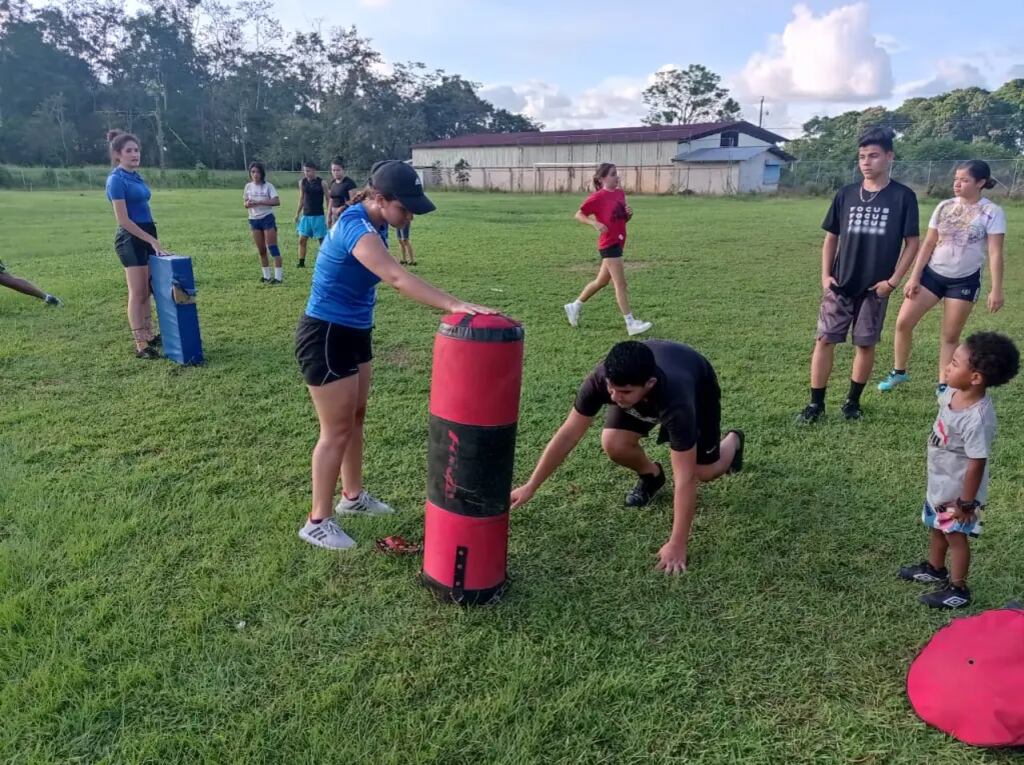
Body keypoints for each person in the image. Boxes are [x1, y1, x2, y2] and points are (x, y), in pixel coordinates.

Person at [295, 160, 498, 550]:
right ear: (379, 198)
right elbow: (396, 277)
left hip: (355, 329)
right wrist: (453, 304)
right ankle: (317, 521)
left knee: (356, 417)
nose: (409, 217)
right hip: (326, 334)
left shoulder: (378, 222)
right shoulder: (356, 226)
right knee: (335, 430)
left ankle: (352, 496)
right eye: (404, 208)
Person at [510, 340, 744, 574]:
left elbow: (685, 478)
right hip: (649, 382)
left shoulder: (677, 401)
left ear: (649, 384)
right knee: (614, 443)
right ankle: (652, 477)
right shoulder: (603, 380)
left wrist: (677, 543)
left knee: (703, 472)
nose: (614, 397)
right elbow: (568, 434)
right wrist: (531, 485)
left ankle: (733, 440)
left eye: (624, 392)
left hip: (696, 384)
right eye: (611, 388)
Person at [796, 127, 920, 423]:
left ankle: (852, 403)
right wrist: (825, 276)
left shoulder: (903, 196)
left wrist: (892, 282)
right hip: (840, 284)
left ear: (889, 157)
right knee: (824, 340)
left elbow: (912, 243)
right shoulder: (846, 194)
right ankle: (815, 404)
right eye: (862, 156)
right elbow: (831, 237)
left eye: (873, 156)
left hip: (875, 288)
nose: (866, 162)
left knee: (865, 344)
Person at [898, 332, 1019, 609]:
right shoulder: (953, 392)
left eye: (954, 363)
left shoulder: (978, 419)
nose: (947, 367)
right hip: (941, 481)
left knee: (955, 536)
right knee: (936, 527)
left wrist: (966, 502)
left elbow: (977, 462)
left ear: (975, 378)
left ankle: (958, 590)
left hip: (960, 492)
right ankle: (935, 568)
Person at [878, 161, 1006, 394]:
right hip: (932, 276)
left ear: (980, 182)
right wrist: (914, 277)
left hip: (964, 281)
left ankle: (944, 384)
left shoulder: (992, 212)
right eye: (956, 179)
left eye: (964, 180)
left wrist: (996, 289)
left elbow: (995, 252)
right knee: (903, 323)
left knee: (950, 336)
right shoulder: (944, 206)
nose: (957, 184)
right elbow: (928, 243)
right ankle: (899, 372)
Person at [563, 163, 652, 336]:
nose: (617, 177)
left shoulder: (620, 193)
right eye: (612, 174)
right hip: (609, 244)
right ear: (602, 178)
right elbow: (579, 214)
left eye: (616, 173)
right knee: (621, 284)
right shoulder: (597, 197)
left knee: (601, 282)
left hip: (619, 241)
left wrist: (628, 215)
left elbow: (620, 219)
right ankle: (630, 323)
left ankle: (574, 306)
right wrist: (594, 223)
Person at [104, 129, 165, 359]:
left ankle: (149, 334)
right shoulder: (116, 180)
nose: (135, 154)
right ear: (117, 154)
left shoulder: (135, 176)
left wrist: (151, 237)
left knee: (147, 290)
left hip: (147, 232)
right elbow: (123, 220)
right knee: (138, 292)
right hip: (131, 239)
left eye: (137, 150)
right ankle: (140, 344)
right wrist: (150, 240)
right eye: (129, 151)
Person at [243, 161, 283, 284]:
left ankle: (278, 278)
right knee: (261, 250)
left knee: (272, 247)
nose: (255, 174)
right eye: (253, 172)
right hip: (254, 220)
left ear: (262, 173)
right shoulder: (248, 187)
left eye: (258, 172)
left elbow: (276, 201)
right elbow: (245, 203)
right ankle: (266, 276)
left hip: (267, 218)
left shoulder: (268, 186)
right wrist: (248, 204)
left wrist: (259, 202)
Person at [294, 161, 330, 268]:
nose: (306, 173)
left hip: (319, 216)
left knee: (322, 240)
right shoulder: (302, 182)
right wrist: (297, 213)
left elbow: (328, 199)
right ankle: (301, 262)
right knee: (302, 240)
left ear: (314, 170)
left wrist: (328, 214)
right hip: (306, 216)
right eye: (305, 171)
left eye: (308, 171)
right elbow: (301, 198)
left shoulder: (322, 183)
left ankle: (325, 261)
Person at [327, 157, 357, 228]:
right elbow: (331, 200)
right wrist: (329, 215)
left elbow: (354, 201)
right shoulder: (332, 183)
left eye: (338, 170)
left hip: (345, 216)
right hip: (334, 217)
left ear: (343, 170)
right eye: (333, 170)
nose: (335, 172)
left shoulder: (349, 183)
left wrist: (342, 208)